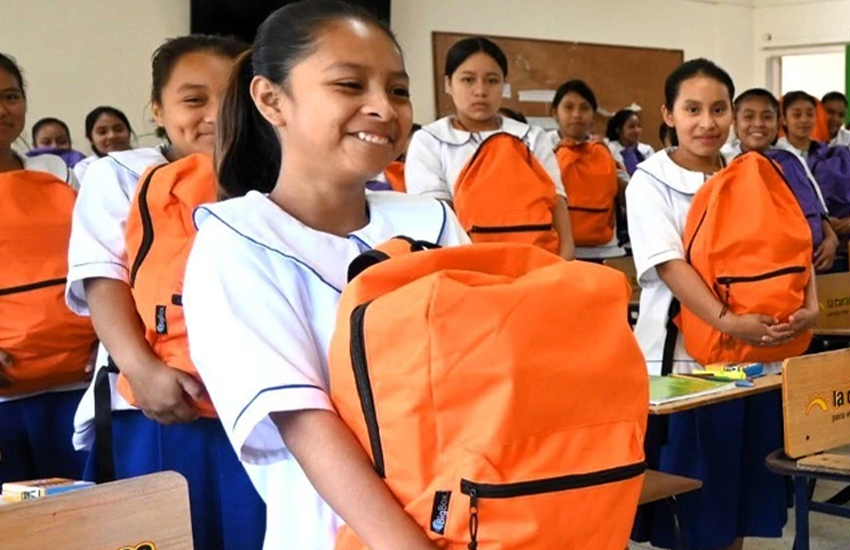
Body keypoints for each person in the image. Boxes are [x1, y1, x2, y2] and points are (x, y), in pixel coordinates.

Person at [185, 3, 468, 549]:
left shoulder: (431, 220)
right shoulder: (237, 240)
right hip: (334, 533)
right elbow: (304, 422)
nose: (383, 108)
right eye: (349, 85)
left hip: (474, 515)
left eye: (399, 90)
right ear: (271, 99)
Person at [66, 34, 266, 550]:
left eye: (231, 97)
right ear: (157, 107)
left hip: (260, 408)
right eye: (194, 99)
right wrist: (142, 369)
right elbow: (102, 279)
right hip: (158, 404)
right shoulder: (120, 174)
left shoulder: (274, 173)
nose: (215, 115)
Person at [626, 59, 808, 550]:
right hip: (686, 362)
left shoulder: (750, 172)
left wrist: (808, 306)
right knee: (696, 504)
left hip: (754, 360)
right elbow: (671, 267)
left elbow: (791, 245)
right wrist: (729, 321)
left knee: (740, 493)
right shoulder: (649, 181)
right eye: (692, 109)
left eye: (718, 109)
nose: (707, 122)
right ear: (668, 114)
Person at [0, 51, 89, 487]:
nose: (2, 110)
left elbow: (101, 264)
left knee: (82, 514)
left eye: (11, 95)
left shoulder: (60, 173)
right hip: (6, 395)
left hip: (79, 382)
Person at [405, 36, 574, 259]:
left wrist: (566, 257)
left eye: (492, 81)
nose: (480, 91)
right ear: (448, 83)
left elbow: (556, 202)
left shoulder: (531, 137)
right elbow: (436, 219)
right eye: (468, 80)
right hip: (464, 265)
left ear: (503, 85)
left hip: (538, 262)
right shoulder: (430, 141)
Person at [726, 88, 838, 271]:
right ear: (734, 122)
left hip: (803, 263)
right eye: (748, 117)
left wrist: (831, 238)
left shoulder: (791, 160)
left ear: (779, 123)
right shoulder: (723, 161)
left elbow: (817, 208)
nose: (758, 124)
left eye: (767, 117)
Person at [546, 79, 627, 260]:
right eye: (568, 107)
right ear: (554, 113)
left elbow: (629, 192)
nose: (576, 114)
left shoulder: (606, 148)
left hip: (604, 249)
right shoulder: (542, 146)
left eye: (584, 108)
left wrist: (605, 164)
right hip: (557, 246)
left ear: (592, 114)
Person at [775, 90, 850, 244]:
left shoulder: (830, 154)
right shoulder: (775, 155)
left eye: (810, 114)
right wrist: (823, 221)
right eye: (797, 114)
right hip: (793, 237)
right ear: (784, 120)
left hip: (837, 238)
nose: (804, 120)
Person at [820, 91, 850, 170]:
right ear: (819, 112)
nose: (835, 119)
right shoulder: (807, 137)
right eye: (830, 112)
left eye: (841, 115)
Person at [606, 108, 654, 180]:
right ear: (618, 130)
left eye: (638, 126)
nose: (637, 130)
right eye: (631, 127)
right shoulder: (610, 150)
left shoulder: (647, 150)